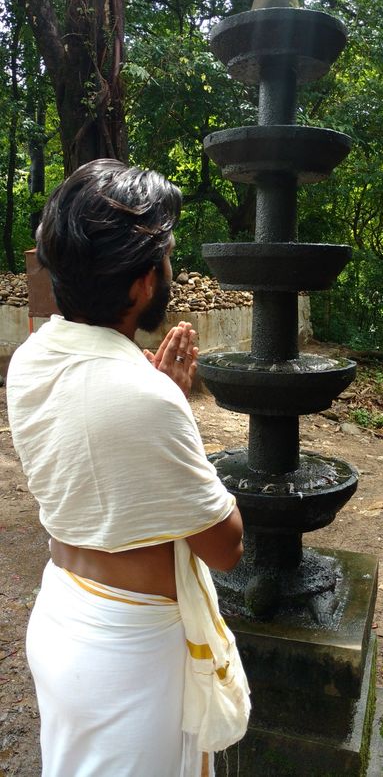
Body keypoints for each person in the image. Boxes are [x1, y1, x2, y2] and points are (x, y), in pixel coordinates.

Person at [7, 159, 244, 777]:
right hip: (131, 650)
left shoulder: (32, 359)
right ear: (143, 283)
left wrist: (157, 399)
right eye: (166, 258)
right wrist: (177, 413)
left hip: (64, 611)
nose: (172, 272)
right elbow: (225, 546)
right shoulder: (144, 397)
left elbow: (101, 457)